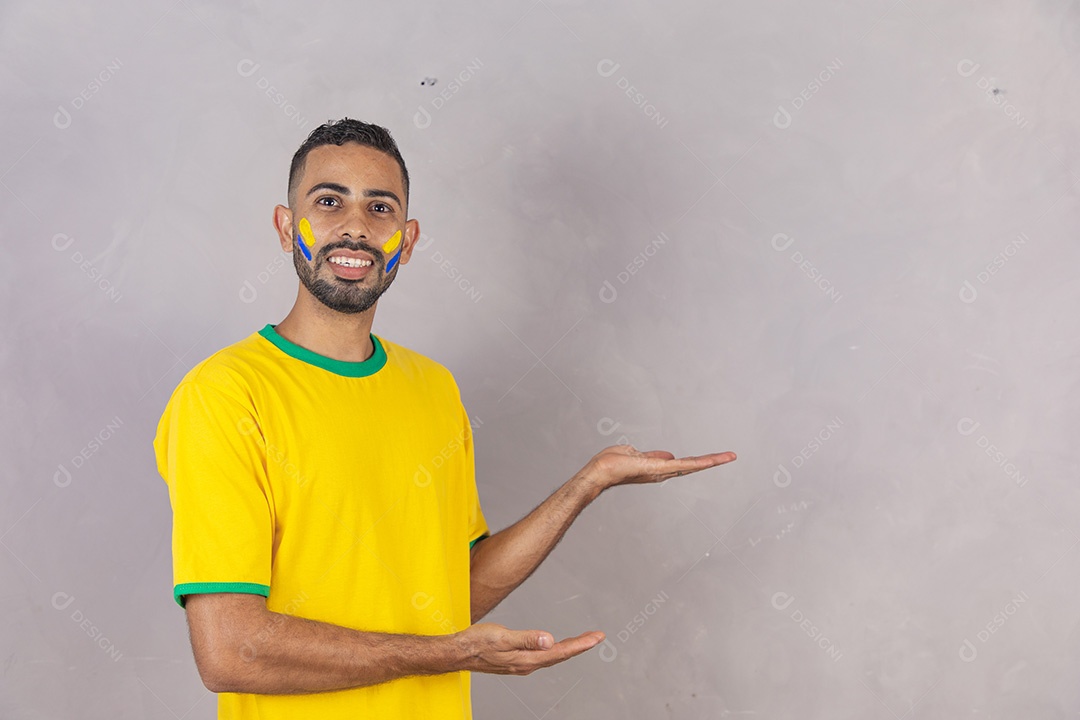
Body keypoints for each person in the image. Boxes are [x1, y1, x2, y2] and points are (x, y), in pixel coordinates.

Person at [152, 117, 737, 719]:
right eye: (329, 202)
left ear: (405, 240)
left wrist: (586, 485)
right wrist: (444, 654)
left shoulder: (433, 388)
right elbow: (229, 651)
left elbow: (455, 593)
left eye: (380, 208)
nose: (355, 227)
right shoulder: (225, 394)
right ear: (284, 226)